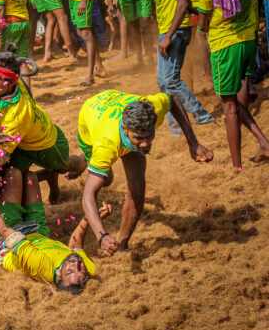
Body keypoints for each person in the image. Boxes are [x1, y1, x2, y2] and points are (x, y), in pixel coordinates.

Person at [78, 90, 213, 256]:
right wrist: (102, 236)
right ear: (125, 129)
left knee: (137, 186)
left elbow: (172, 98)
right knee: (106, 180)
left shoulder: (153, 109)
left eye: (149, 136)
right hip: (91, 116)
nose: (146, 144)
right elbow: (88, 195)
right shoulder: (106, 143)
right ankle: (80, 162)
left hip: (116, 113)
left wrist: (193, 143)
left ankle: (124, 242)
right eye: (139, 138)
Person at [0, 163, 111, 294]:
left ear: (58, 276)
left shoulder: (40, 265)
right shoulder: (86, 268)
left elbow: (4, 229)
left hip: (7, 245)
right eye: (80, 269)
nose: (75, 264)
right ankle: (46, 177)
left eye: (69, 271)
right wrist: (90, 217)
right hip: (39, 234)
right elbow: (75, 245)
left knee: (13, 174)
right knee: (30, 177)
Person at [0, 52, 87, 204]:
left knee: (62, 166)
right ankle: (51, 179)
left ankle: (82, 162)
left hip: (47, 144)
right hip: (22, 140)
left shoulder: (16, 116)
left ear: (10, 82)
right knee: (18, 175)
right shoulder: (10, 88)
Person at [197, 0, 269, 168]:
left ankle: (236, 167)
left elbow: (202, 24)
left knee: (228, 106)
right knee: (233, 98)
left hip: (225, 46)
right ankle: (264, 144)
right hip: (248, 41)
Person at [150, 0, 214, 135]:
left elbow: (182, 3)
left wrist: (169, 36)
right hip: (167, 31)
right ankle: (177, 127)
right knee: (163, 82)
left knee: (171, 80)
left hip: (175, 31)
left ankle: (202, 117)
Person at [51, 0, 107, 86]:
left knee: (86, 34)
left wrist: (83, 0)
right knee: (83, 33)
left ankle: (90, 75)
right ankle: (100, 68)